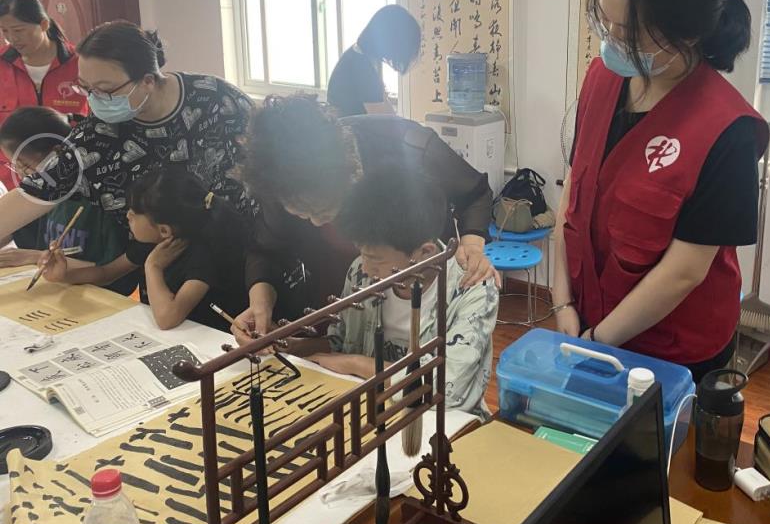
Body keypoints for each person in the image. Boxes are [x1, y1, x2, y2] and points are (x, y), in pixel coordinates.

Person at [553, 0, 769, 382]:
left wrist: (598, 341)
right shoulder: (601, 79)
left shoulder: (728, 130)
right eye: (605, 24)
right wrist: (562, 301)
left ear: (685, 35)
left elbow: (684, 272)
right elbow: (573, 192)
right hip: (588, 322)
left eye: (629, 33)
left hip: (672, 348)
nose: (612, 41)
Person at [234, 168, 498, 418]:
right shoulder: (361, 270)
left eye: (376, 259)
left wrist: (355, 364)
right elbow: (341, 342)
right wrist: (291, 345)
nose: (365, 268)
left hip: (445, 423)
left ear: (425, 252)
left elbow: (447, 388)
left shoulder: (472, 290)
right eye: (362, 253)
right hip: (372, 408)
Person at [0, 20, 258, 269]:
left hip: (246, 260)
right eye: (86, 89)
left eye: (105, 90)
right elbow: (36, 191)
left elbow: (264, 175)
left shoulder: (218, 102)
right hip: (161, 268)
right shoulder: (97, 135)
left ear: (147, 80)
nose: (94, 100)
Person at [238, 95, 498, 338]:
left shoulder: (409, 146)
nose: (316, 222)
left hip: (422, 287)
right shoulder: (279, 181)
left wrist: (471, 247)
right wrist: (260, 304)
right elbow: (268, 249)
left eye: (322, 209)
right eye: (302, 214)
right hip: (348, 297)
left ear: (342, 170)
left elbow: (475, 193)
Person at [41, 168, 250, 331]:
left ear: (164, 230)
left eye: (134, 213)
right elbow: (106, 273)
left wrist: (153, 266)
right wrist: (63, 274)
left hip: (210, 344)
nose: (127, 216)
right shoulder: (151, 242)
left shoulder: (202, 255)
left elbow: (168, 318)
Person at [0, 107, 136, 294]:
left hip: (100, 297)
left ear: (57, 155)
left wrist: (33, 257)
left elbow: (113, 273)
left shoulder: (103, 199)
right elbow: (12, 229)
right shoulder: (42, 197)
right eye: (15, 167)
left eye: (26, 166)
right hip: (56, 291)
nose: (24, 176)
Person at [0, 0, 86, 189]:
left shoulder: (80, 63)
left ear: (44, 24)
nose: (12, 39)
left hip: (70, 177)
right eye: (4, 31)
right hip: (11, 180)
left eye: (19, 30)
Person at [326, 5, 420, 117]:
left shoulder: (363, 56)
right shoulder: (361, 66)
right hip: (349, 127)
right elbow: (382, 120)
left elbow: (385, 108)